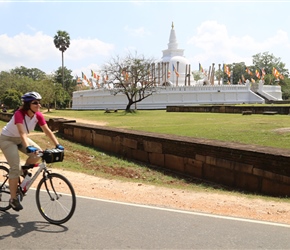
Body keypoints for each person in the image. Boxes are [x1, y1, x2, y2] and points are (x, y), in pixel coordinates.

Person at [0, 92, 64, 211]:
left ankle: (23, 170)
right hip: (7, 139)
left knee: (38, 154)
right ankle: (13, 199)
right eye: (35, 102)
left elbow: (47, 131)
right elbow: (21, 132)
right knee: (15, 168)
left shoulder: (38, 115)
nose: (38, 105)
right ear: (28, 104)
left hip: (20, 139)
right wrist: (28, 147)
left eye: (39, 102)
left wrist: (58, 144)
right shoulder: (19, 114)